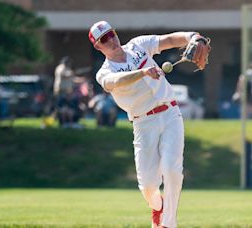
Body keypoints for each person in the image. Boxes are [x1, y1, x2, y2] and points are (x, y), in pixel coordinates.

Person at [89, 20, 209, 228]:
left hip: (170, 113)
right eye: (104, 39)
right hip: (143, 123)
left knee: (172, 170)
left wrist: (193, 37)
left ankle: (168, 224)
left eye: (112, 34)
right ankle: (158, 207)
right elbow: (116, 82)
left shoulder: (138, 45)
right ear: (98, 46)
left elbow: (169, 39)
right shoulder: (104, 72)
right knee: (148, 186)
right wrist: (142, 73)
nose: (111, 40)